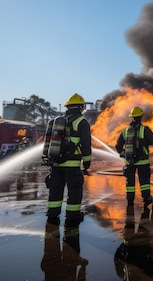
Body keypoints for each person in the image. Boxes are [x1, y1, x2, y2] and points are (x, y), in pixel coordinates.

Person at [46, 93, 92, 227]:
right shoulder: (81, 122)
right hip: (72, 164)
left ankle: (52, 214)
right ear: (80, 107)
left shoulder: (58, 121)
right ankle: (73, 216)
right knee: (74, 189)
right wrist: (87, 162)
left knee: (55, 190)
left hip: (55, 163)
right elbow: (86, 144)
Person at [115, 106, 153, 208]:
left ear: (132, 117)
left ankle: (130, 200)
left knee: (130, 183)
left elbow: (118, 146)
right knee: (144, 182)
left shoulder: (125, 131)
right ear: (141, 117)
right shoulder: (145, 130)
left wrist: (123, 153)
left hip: (129, 162)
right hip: (142, 162)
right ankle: (146, 198)